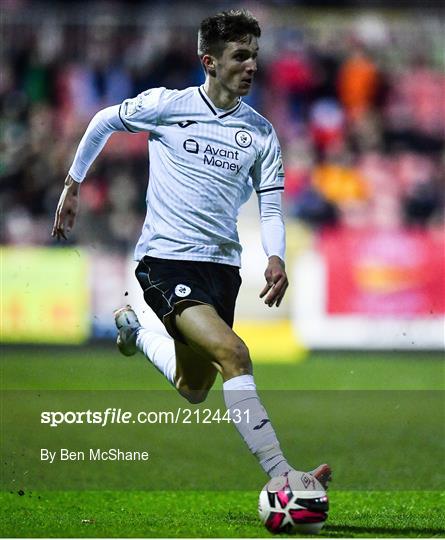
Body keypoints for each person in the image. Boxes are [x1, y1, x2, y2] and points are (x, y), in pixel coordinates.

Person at [52, 9, 331, 487]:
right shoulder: (167, 105)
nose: (251, 66)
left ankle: (135, 333)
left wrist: (276, 256)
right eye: (240, 56)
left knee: (194, 387)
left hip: (221, 269)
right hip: (165, 261)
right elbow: (102, 121)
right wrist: (73, 184)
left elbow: (269, 209)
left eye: (255, 56)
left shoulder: (261, 133)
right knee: (235, 355)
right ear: (210, 62)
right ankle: (283, 476)